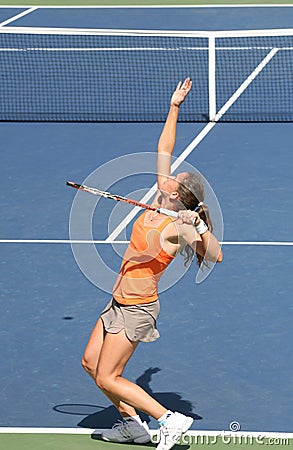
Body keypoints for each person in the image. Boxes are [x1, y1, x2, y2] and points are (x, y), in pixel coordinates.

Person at [81, 78, 223, 450]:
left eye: (175, 179)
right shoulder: (163, 193)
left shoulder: (177, 228)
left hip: (137, 309)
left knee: (109, 376)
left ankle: (168, 418)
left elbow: (216, 255)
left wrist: (197, 227)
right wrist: (175, 106)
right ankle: (133, 424)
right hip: (117, 300)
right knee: (90, 364)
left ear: (177, 195)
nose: (169, 176)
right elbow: (164, 146)